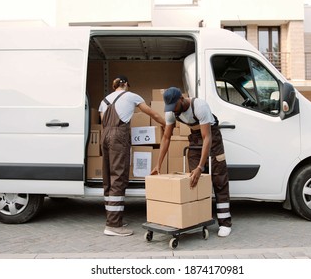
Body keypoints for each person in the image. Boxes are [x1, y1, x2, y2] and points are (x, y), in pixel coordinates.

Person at [151, 87, 232, 237]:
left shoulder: (199, 106)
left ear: (181, 99)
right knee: (194, 180)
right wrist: (158, 164)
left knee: (219, 180)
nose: (173, 111)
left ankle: (225, 222)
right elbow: (166, 138)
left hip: (212, 138)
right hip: (195, 138)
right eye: (170, 107)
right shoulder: (171, 112)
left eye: (174, 106)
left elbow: (207, 137)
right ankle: (198, 219)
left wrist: (201, 166)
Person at [99, 75, 165, 237]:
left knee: (108, 177)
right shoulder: (132, 96)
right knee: (118, 177)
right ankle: (113, 225)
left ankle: (113, 219)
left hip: (105, 135)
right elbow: (152, 114)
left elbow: (104, 122)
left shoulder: (104, 100)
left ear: (115, 85)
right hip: (118, 137)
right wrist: (167, 124)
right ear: (126, 84)